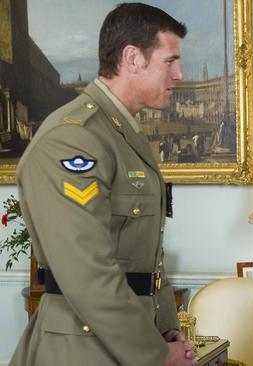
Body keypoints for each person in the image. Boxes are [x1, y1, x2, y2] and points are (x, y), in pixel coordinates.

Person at [10, 3, 196, 366]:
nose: (180, 74)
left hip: (125, 341)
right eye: (170, 61)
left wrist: (165, 327)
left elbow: (144, 259)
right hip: (84, 349)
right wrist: (154, 354)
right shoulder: (73, 141)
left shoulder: (121, 135)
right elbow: (87, 271)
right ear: (132, 58)